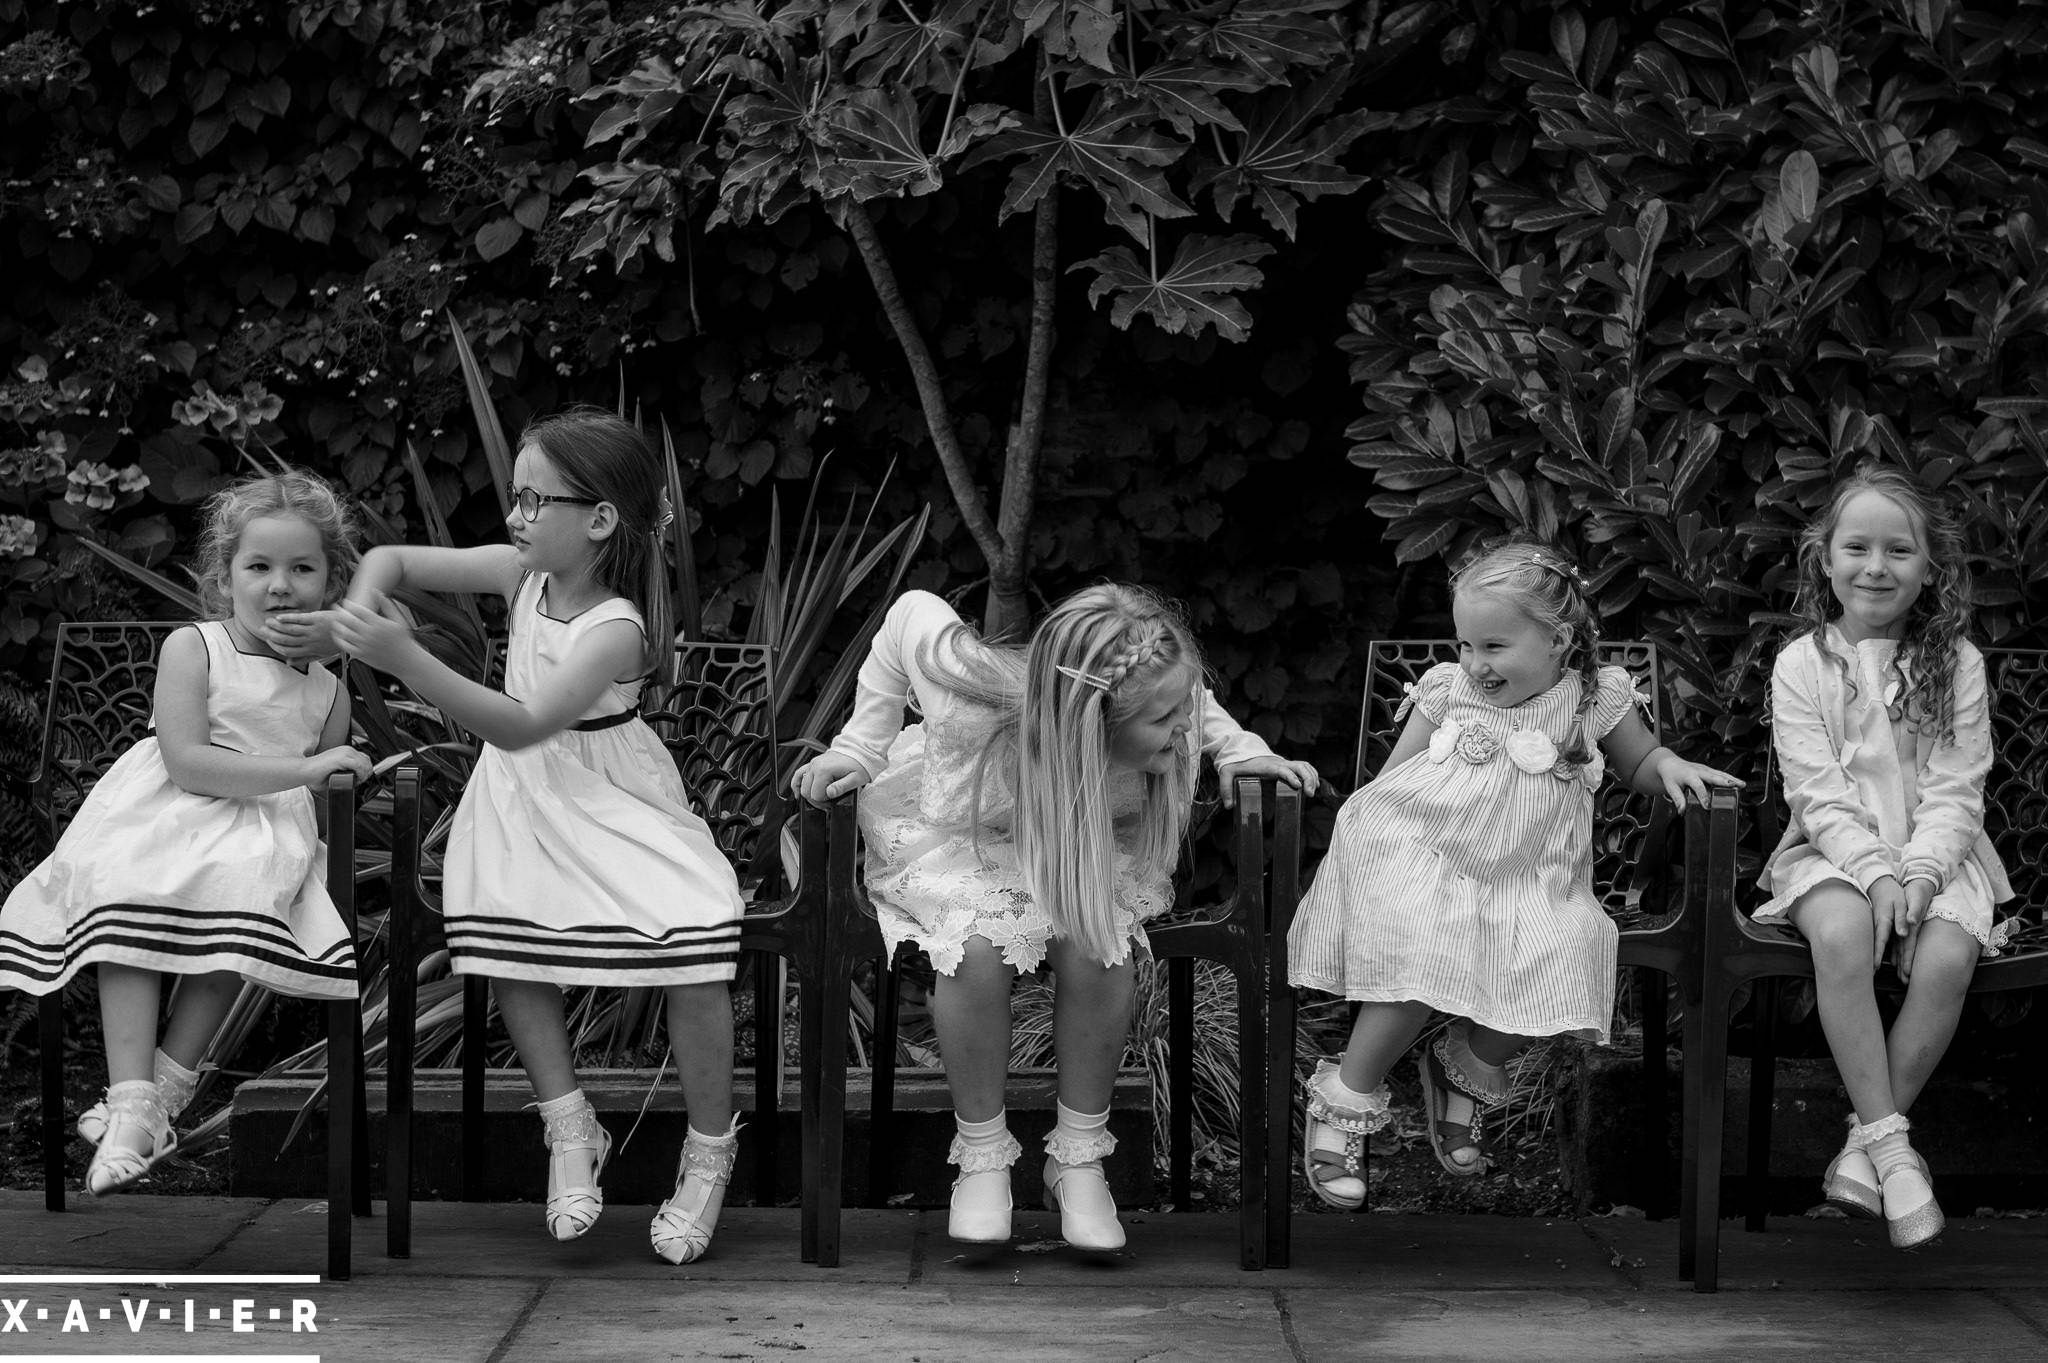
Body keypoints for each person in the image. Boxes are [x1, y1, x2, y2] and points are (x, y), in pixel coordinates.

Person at [290, 408, 745, 1263]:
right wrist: (356, 621)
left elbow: (525, 721)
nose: (516, 518)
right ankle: (569, 1125)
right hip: (522, 805)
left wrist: (403, 655)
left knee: (696, 937)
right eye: (517, 496)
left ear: (599, 519)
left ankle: (710, 1151)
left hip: (612, 801)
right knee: (505, 928)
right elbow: (387, 560)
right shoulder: (517, 573)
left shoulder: (615, 628)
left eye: (536, 502)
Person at [789, 584, 1317, 1252]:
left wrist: (1238, 749)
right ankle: (981, 1156)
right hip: (970, 837)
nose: (1182, 729)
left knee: (1098, 944)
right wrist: (859, 748)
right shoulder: (969, 695)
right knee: (977, 949)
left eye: (1179, 712)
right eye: (1161, 722)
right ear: (1090, 719)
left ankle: (1077, 1158)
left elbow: (1188, 698)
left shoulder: (1152, 698)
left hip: (1078, 835)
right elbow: (907, 612)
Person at [1289, 539, 1740, 1208]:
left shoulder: (1594, 695)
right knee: (1426, 945)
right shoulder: (1448, 689)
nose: (1474, 662)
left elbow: (1641, 762)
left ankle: (1465, 1064)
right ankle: (1346, 1096)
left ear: (1558, 639)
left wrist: (1667, 767)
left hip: (1532, 875)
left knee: (1569, 949)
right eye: (1466, 644)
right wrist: (1383, 858)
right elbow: (1391, 786)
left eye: (1493, 646)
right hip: (1429, 857)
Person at [0, 470, 369, 1195]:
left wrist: (330, 775)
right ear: (225, 577)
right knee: (126, 893)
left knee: (247, 898)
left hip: (259, 836)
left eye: (302, 568)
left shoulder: (329, 690)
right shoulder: (194, 647)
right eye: (258, 567)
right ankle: (136, 1098)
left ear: (331, 581)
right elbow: (190, 762)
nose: (280, 585)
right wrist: (310, 766)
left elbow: (323, 803)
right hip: (167, 813)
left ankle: (152, 1105)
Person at [1752, 466, 2010, 1248]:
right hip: (1831, 856)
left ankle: (1865, 1149)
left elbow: (1959, 788)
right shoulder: (1802, 664)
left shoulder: (1955, 660)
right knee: (1842, 932)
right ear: (1823, 558)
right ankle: (1894, 1148)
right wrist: (1875, 872)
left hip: (1942, 856)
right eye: (1856, 547)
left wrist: (1923, 873)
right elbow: (1818, 794)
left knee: (1945, 958)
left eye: (1899, 550)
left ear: (1930, 566)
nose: (1876, 566)